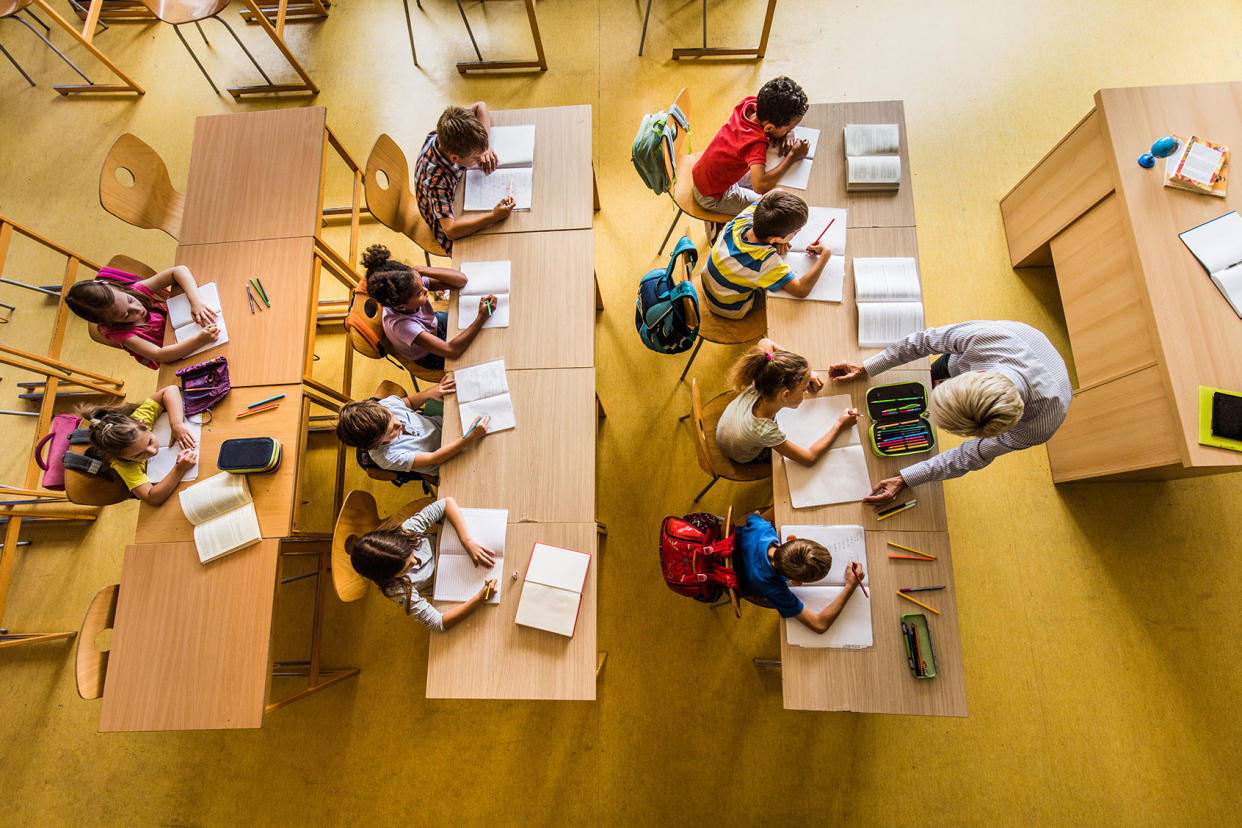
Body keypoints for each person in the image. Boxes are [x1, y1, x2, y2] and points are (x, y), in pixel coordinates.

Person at [828, 320, 1073, 506]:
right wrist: (868, 367)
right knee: (937, 368)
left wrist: (907, 478)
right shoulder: (986, 338)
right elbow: (923, 342)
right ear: (977, 373)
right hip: (1008, 343)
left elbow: (973, 454)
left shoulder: (1038, 427)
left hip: (1034, 379)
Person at [347, 496, 496, 631]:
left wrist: (467, 541)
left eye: (410, 553)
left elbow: (446, 504)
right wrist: (479, 598)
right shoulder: (396, 589)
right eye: (407, 567)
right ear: (390, 576)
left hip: (456, 547)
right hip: (454, 585)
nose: (414, 561)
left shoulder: (406, 531)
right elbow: (438, 623)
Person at [718, 338, 858, 466]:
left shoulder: (764, 376)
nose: (806, 391)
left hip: (725, 429)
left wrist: (805, 374)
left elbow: (765, 342)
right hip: (740, 454)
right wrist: (840, 425)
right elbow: (808, 458)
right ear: (785, 396)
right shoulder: (766, 431)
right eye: (803, 389)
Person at [360, 244, 495, 371]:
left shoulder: (412, 286)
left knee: (481, 328)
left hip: (432, 324)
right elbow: (452, 351)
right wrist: (481, 318)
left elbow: (461, 281)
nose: (426, 290)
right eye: (420, 293)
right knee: (480, 353)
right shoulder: (403, 326)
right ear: (402, 306)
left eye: (422, 284)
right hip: (427, 354)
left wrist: (423, 270)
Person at [691, 76, 810, 216]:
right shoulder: (755, 143)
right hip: (713, 196)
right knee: (772, 207)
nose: (790, 131)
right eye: (788, 128)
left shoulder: (749, 103)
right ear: (769, 128)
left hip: (706, 174)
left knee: (772, 178)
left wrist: (787, 132)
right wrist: (792, 156)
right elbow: (760, 186)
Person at [702, 190, 828, 319]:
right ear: (773, 238)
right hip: (728, 307)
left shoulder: (742, 220)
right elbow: (801, 290)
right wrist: (825, 255)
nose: (796, 234)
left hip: (709, 285)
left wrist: (777, 241)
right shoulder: (764, 261)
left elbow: (776, 191)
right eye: (795, 233)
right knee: (779, 300)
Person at [65, 264, 220, 368]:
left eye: (130, 300)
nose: (137, 309)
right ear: (110, 322)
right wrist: (199, 340)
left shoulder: (135, 291)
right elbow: (160, 355)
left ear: (122, 290)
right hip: (181, 353)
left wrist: (195, 301)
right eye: (127, 315)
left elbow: (178, 271)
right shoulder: (122, 335)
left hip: (186, 324)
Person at [733, 511, 864, 633]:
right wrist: (850, 586)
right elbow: (819, 625)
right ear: (796, 582)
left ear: (791, 538)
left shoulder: (763, 529)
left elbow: (753, 515)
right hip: (734, 582)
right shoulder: (774, 590)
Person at [413, 102, 514, 256]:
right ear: (455, 158)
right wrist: (493, 216)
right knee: (500, 251)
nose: (480, 159)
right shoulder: (437, 181)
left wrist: (485, 147)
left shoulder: (448, 132)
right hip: (447, 224)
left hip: (454, 196)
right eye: (475, 158)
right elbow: (450, 231)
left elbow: (481, 106)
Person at [335, 381, 489, 477]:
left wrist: (429, 393)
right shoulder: (387, 458)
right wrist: (469, 438)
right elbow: (435, 458)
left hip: (445, 428)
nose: (399, 424)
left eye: (393, 417)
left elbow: (408, 402)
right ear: (376, 444)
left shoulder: (387, 406)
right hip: (446, 460)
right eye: (392, 431)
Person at [78, 385, 197, 506]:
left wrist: (176, 424)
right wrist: (179, 469)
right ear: (122, 457)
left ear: (143, 424)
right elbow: (152, 498)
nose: (152, 451)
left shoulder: (138, 420)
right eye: (139, 455)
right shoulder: (122, 465)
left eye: (150, 441)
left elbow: (170, 390)